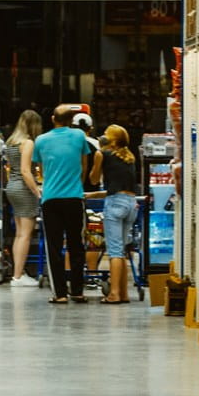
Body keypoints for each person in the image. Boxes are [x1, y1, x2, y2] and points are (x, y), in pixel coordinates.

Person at [33, 104, 90, 304]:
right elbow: (84, 165)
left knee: (54, 246)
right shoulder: (79, 137)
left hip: (51, 198)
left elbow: (41, 170)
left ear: (52, 119)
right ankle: (77, 290)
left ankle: (60, 293)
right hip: (74, 196)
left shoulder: (41, 140)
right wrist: (76, 183)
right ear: (71, 121)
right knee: (76, 244)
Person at [89, 124, 138, 304]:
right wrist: (93, 195)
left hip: (115, 205)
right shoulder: (130, 158)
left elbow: (94, 179)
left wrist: (97, 157)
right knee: (123, 250)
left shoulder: (103, 154)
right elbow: (119, 188)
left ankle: (114, 293)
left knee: (114, 251)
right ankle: (124, 293)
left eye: (106, 135)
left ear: (113, 140)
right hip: (131, 205)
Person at [3, 110, 43, 287]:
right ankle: (18, 276)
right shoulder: (28, 143)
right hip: (24, 189)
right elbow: (26, 171)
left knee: (19, 233)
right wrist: (37, 191)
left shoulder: (11, 142)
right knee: (25, 235)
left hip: (12, 187)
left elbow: (12, 168)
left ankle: (17, 273)